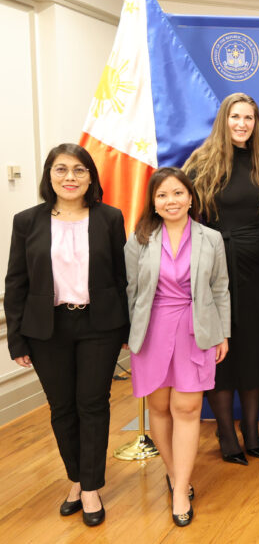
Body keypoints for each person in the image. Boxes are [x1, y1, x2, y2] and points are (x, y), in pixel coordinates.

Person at [4, 144, 128, 527]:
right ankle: (75, 479)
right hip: (47, 329)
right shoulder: (27, 221)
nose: (70, 177)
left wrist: (126, 328)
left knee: (92, 403)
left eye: (78, 170)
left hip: (99, 327)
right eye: (61, 170)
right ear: (50, 175)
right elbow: (16, 282)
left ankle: (90, 488)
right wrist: (17, 340)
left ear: (91, 177)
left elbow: (122, 278)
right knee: (62, 408)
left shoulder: (109, 217)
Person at [125, 167, 230, 527]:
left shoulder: (210, 238)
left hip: (195, 329)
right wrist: (130, 333)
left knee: (187, 407)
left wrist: (222, 334)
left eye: (178, 193)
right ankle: (173, 472)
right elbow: (131, 291)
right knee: (159, 406)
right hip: (151, 330)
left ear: (191, 198)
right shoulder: (138, 239)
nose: (171, 201)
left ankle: (181, 488)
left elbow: (220, 290)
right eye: (162, 195)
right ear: (153, 202)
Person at [184, 92, 259, 466]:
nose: (242, 124)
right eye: (236, 117)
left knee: (253, 351)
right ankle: (225, 432)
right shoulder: (200, 165)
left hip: (257, 271)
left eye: (249, 118)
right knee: (221, 354)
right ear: (223, 120)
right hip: (214, 271)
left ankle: (252, 430)